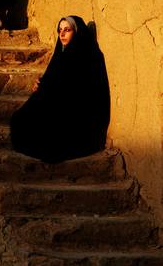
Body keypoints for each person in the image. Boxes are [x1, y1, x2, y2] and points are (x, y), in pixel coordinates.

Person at [10, 15, 110, 162]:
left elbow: (84, 92)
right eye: (60, 30)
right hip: (58, 106)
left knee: (49, 136)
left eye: (67, 30)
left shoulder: (90, 57)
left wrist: (50, 89)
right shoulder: (62, 54)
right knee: (20, 121)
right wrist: (42, 84)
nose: (62, 34)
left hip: (78, 114)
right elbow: (55, 79)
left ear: (76, 32)